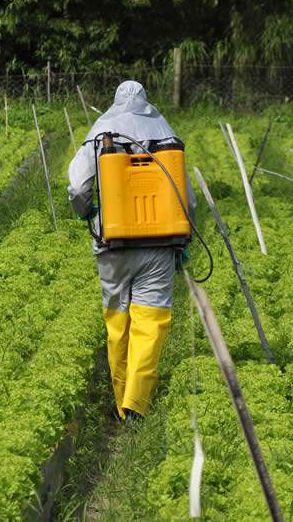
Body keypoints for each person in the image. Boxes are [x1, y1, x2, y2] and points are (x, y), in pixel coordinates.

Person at [67, 80, 195, 425]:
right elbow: (187, 196)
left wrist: (88, 214)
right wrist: (186, 240)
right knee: (150, 321)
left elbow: (79, 185)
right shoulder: (165, 134)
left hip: (114, 243)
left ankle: (120, 399)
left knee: (118, 318)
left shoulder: (101, 132)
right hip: (160, 244)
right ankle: (136, 404)